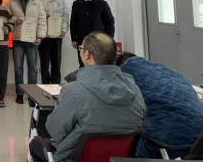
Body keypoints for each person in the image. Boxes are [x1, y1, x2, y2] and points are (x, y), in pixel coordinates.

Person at [29, 32, 147, 163]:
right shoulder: (135, 90)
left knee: (35, 144)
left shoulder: (73, 91)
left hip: (74, 157)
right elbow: (141, 123)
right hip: (118, 158)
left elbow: (54, 131)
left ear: (87, 54)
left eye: (81, 48)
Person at [117, 53, 204, 160]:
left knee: (125, 146)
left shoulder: (126, 77)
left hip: (176, 148)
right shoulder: (168, 72)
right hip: (199, 143)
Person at [5, 0, 47, 106]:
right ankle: (19, 93)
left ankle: (32, 95)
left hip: (32, 40)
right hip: (17, 39)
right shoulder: (10, 2)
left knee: (33, 69)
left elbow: (42, 19)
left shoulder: (36, 2)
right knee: (18, 68)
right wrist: (15, 20)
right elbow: (6, 18)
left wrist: (40, 36)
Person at [70, 0, 115, 68]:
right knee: (83, 64)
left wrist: (109, 38)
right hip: (82, 40)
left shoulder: (102, 4)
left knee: (99, 63)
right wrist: (73, 39)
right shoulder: (76, 4)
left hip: (99, 40)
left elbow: (109, 22)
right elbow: (73, 22)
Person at [35, 0, 70, 85]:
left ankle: (55, 86)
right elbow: (32, 16)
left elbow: (65, 15)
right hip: (44, 36)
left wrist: (63, 30)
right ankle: (46, 86)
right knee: (44, 64)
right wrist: (43, 15)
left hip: (57, 36)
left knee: (56, 63)